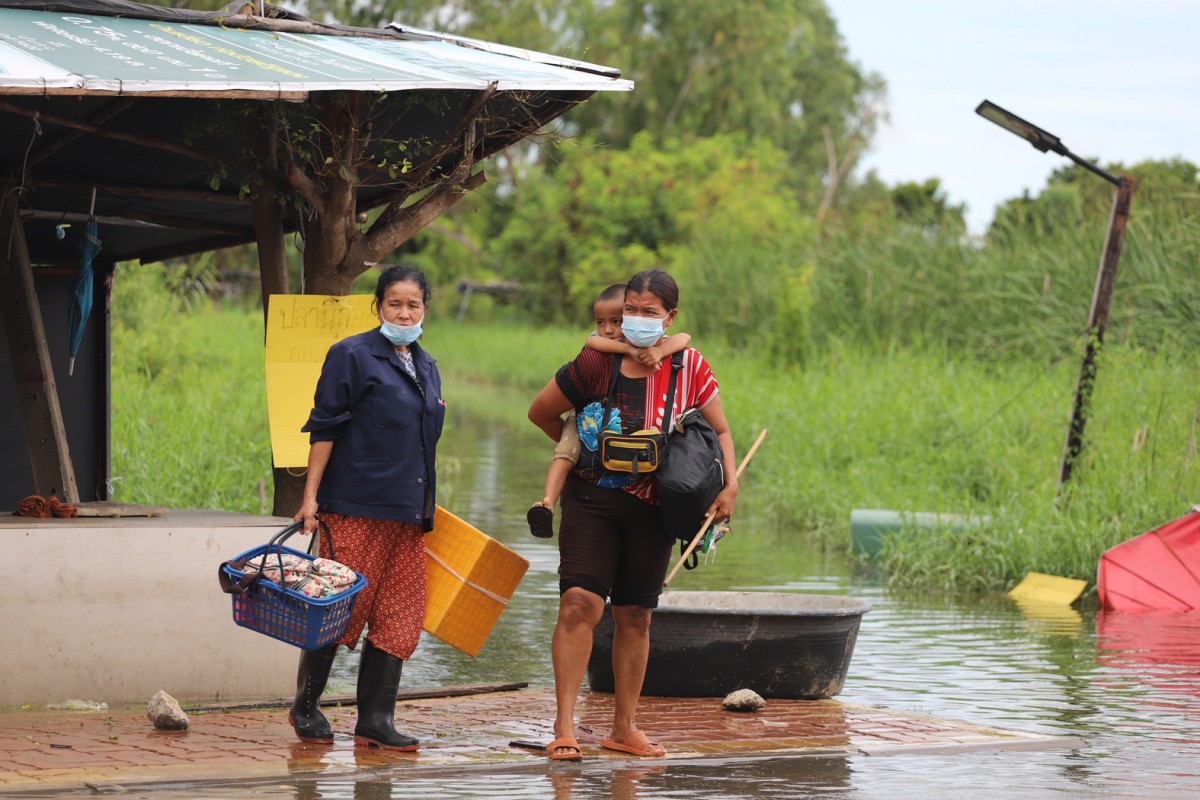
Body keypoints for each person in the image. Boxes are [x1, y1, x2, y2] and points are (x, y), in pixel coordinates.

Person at [527, 269, 738, 761]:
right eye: (631, 311)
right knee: (579, 604)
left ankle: (625, 728)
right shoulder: (595, 363)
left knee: (636, 615)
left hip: (653, 507)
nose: (638, 320)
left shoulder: (689, 367)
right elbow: (541, 412)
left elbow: (722, 431)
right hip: (591, 499)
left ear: (670, 317)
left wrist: (730, 485)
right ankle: (564, 728)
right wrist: (580, 449)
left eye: (649, 312)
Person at [289, 264, 446, 752]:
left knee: (401, 614)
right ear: (378, 305)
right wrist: (310, 497)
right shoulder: (351, 355)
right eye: (395, 303)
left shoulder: (427, 366)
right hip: (354, 507)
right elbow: (326, 427)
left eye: (413, 304)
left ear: (425, 309)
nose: (404, 312)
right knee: (336, 608)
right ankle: (306, 705)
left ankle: (375, 720)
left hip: (405, 514)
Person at [527, 283, 691, 539]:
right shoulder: (600, 345)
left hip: (642, 491)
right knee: (565, 454)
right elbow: (591, 341)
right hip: (586, 419)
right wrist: (629, 349)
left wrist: (660, 350)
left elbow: (684, 338)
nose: (608, 330)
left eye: (616, 321)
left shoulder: (655, 342)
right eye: (601, 322)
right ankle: (546, 503)